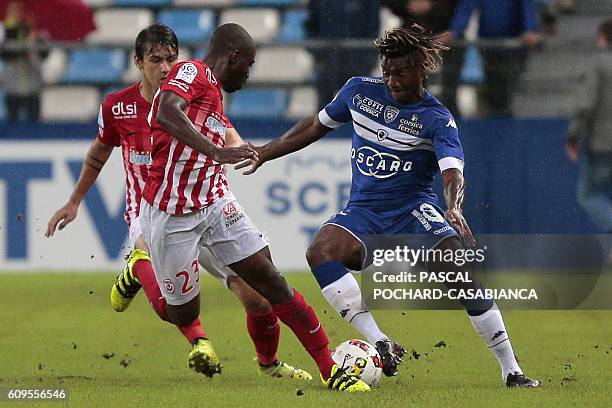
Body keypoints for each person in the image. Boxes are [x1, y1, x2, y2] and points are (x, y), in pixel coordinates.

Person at [238, 25, 540, 388]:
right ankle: (380, 341)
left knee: (461, 271)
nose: (393, 80)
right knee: (320, 252)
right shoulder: (359, 93)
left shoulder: (436, 118)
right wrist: (264, 152)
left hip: (413, 209)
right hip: (364, 211)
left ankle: (511, 370)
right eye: (387, 71)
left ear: (421, 70)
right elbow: (312, 127)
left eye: (401, 73)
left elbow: (451, 173)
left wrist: (454, 207)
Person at [45, 24, 311, 382]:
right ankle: (193, 332)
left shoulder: (197, 97)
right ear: (138, 62)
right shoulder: (117, 106)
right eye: (155, 60)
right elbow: (99, 153)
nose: (166, 67)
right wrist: (74, 201)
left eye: (171, 59)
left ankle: (269, 364)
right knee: (169, 293)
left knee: (258, 299)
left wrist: (243, 151)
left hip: (203, 209)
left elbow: (228, 133)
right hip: (150, 211)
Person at [140, 23, 369, 392]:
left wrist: (236, 148)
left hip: (214, 201)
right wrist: (217, 151)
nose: (249, 74)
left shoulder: (213, 93)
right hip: (172, 212)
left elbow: (208, 127)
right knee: (181, 312)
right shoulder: (192, 71)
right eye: (249, 64)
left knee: (270, 281)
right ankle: (141, 268)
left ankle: (331, 370)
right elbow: (166, 112)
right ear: (233, 58)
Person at [447, 0, 541, 117]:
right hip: (489, 47)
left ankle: (505, 117)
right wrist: (455, 31)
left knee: (507, 92)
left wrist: (530, 29)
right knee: (493, 90)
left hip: (513, 48)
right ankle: (496, 117)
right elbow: (466, 7)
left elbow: (527, 7)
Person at [565, 18, 612, 238]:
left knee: (590, 195)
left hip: (604, 142)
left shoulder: (599, 64)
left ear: (602, 36)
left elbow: (586, 104)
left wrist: (574, 136)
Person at [381, 0, 462, 116]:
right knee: (410, 92)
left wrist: (433, 6)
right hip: (411, 37)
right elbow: (389, 3)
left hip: (448, 37)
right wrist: (407, 5)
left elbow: (462, 6)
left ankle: (450, 121)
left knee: (449, 92)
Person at [306, 0, 381, 109]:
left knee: (358, 107)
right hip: (328, 60)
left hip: (357, 61)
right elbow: (310, 26)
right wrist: (318, 54)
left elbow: (373, 27)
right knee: (324, 110)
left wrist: (368, 59)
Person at [0, 0, 45, 121]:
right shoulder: (4, 30)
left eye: (21, 10)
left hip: (32, 85)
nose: (18, 13)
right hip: (12, 85)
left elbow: (44, 54)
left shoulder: (36, 30)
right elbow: (5, 55)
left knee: (34, 125)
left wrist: (33, 41)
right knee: (12, 124)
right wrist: (12, 34)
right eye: (14, 10)